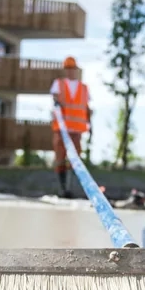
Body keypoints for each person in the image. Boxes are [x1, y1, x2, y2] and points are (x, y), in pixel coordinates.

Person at [50, 56, 91, 198]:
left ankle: (70, 187)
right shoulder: (59, 84)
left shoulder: (84, 88)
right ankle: (62, 189)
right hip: (62, 129)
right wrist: (56, 104)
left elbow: (86, 107)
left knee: (75, 160)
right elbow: (55, 98)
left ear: (76, 70)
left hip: (77, 130)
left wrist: (90, 125)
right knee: (60, 158)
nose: (70, 72)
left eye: (72, 69)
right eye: (67, 69)